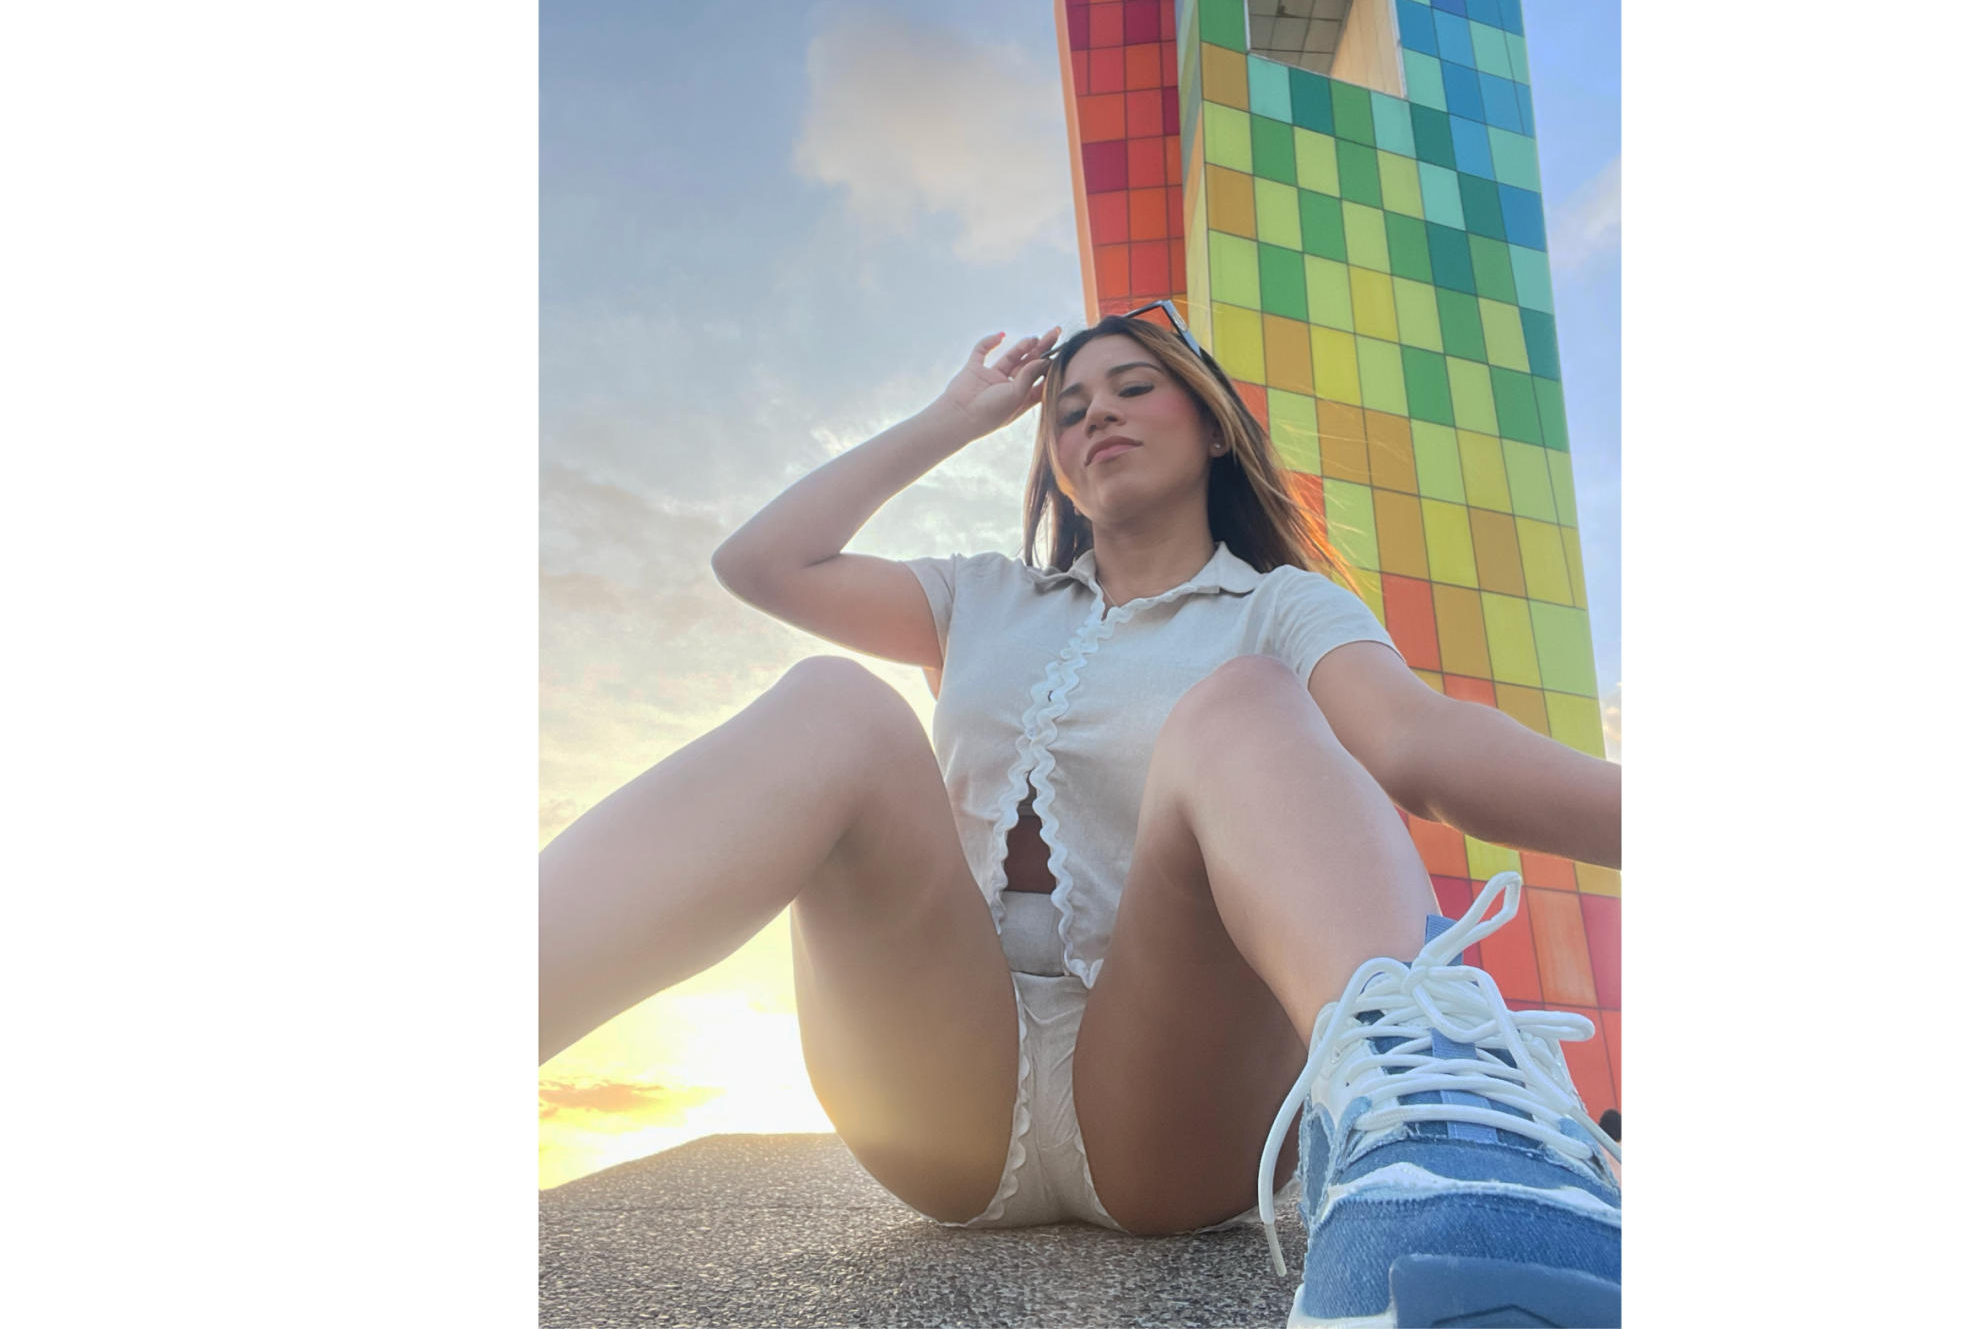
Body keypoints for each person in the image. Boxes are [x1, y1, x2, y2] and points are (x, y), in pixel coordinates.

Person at [539, 306, 1624, 1327]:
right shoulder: (981, 599)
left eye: (1133, 388)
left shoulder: (1283, 607)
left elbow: (1420, 746)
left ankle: (1440, 1164)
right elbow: (761, 564)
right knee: (833, 705)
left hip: (1173, 1107)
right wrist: (955, 416)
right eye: (1067, 410)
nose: (1096, 412)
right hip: (939, 1091)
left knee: (1247, 705)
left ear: (1212, 426)